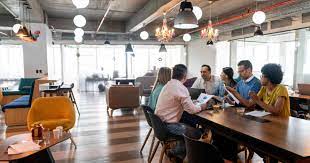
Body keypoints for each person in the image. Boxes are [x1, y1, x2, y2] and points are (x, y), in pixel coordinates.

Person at [155, 64, 207, 131]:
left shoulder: (167, 85)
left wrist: (191, 102)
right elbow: (192, 110)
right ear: (185, 76)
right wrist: (202, 107)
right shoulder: (180, 88)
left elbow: (176, 102)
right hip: (169, 126)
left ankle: (184, 141)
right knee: (197, 131)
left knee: (190, 119)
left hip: (159, 123)